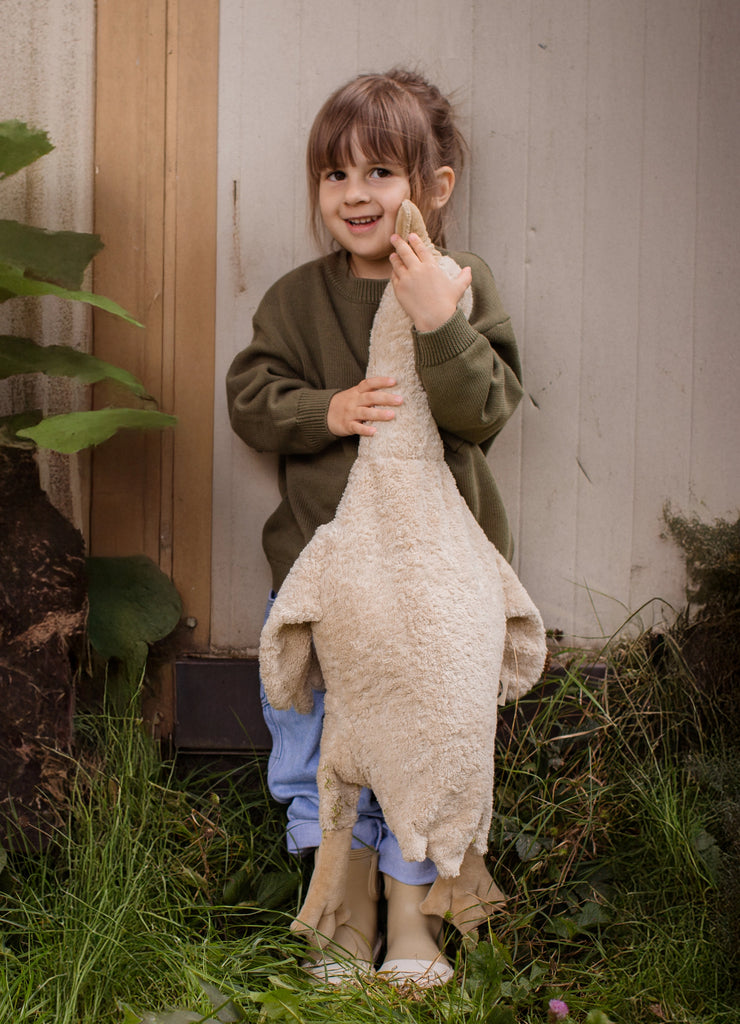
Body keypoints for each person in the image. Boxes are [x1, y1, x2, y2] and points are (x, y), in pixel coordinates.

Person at [226, 68, 524, 987]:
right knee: (319, 743)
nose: (356, 195)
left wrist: (439, 323)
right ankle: (340, 914)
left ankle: (413, 921)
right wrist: (330, 409)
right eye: (335, 175)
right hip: (326, 577)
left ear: (433, 187)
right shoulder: (296, 299)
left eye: (381, 173)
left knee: (425, 745)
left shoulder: (460, 286)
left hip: (431, 588)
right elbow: (250, 395)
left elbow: (488, 408)